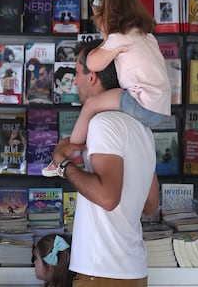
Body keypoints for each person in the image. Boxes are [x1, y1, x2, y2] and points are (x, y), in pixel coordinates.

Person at [51, 40, 160, 286]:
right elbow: (151, 203)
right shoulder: (142, 129)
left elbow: (108, 198)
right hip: (132, 270)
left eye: (78, 73)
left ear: (93, 77)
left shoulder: (103, 124)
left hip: (102, 270)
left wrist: (62, 165)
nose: (75, 80)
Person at [43, 0, 171, 176]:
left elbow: (92, 64)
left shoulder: (119, 37)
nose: (99, 28)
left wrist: (105, 40)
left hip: (141, 101)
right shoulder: (146, 36)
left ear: (111, 18)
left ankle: (72, 153)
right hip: (159, 107)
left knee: (90, 106)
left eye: (99, 22)